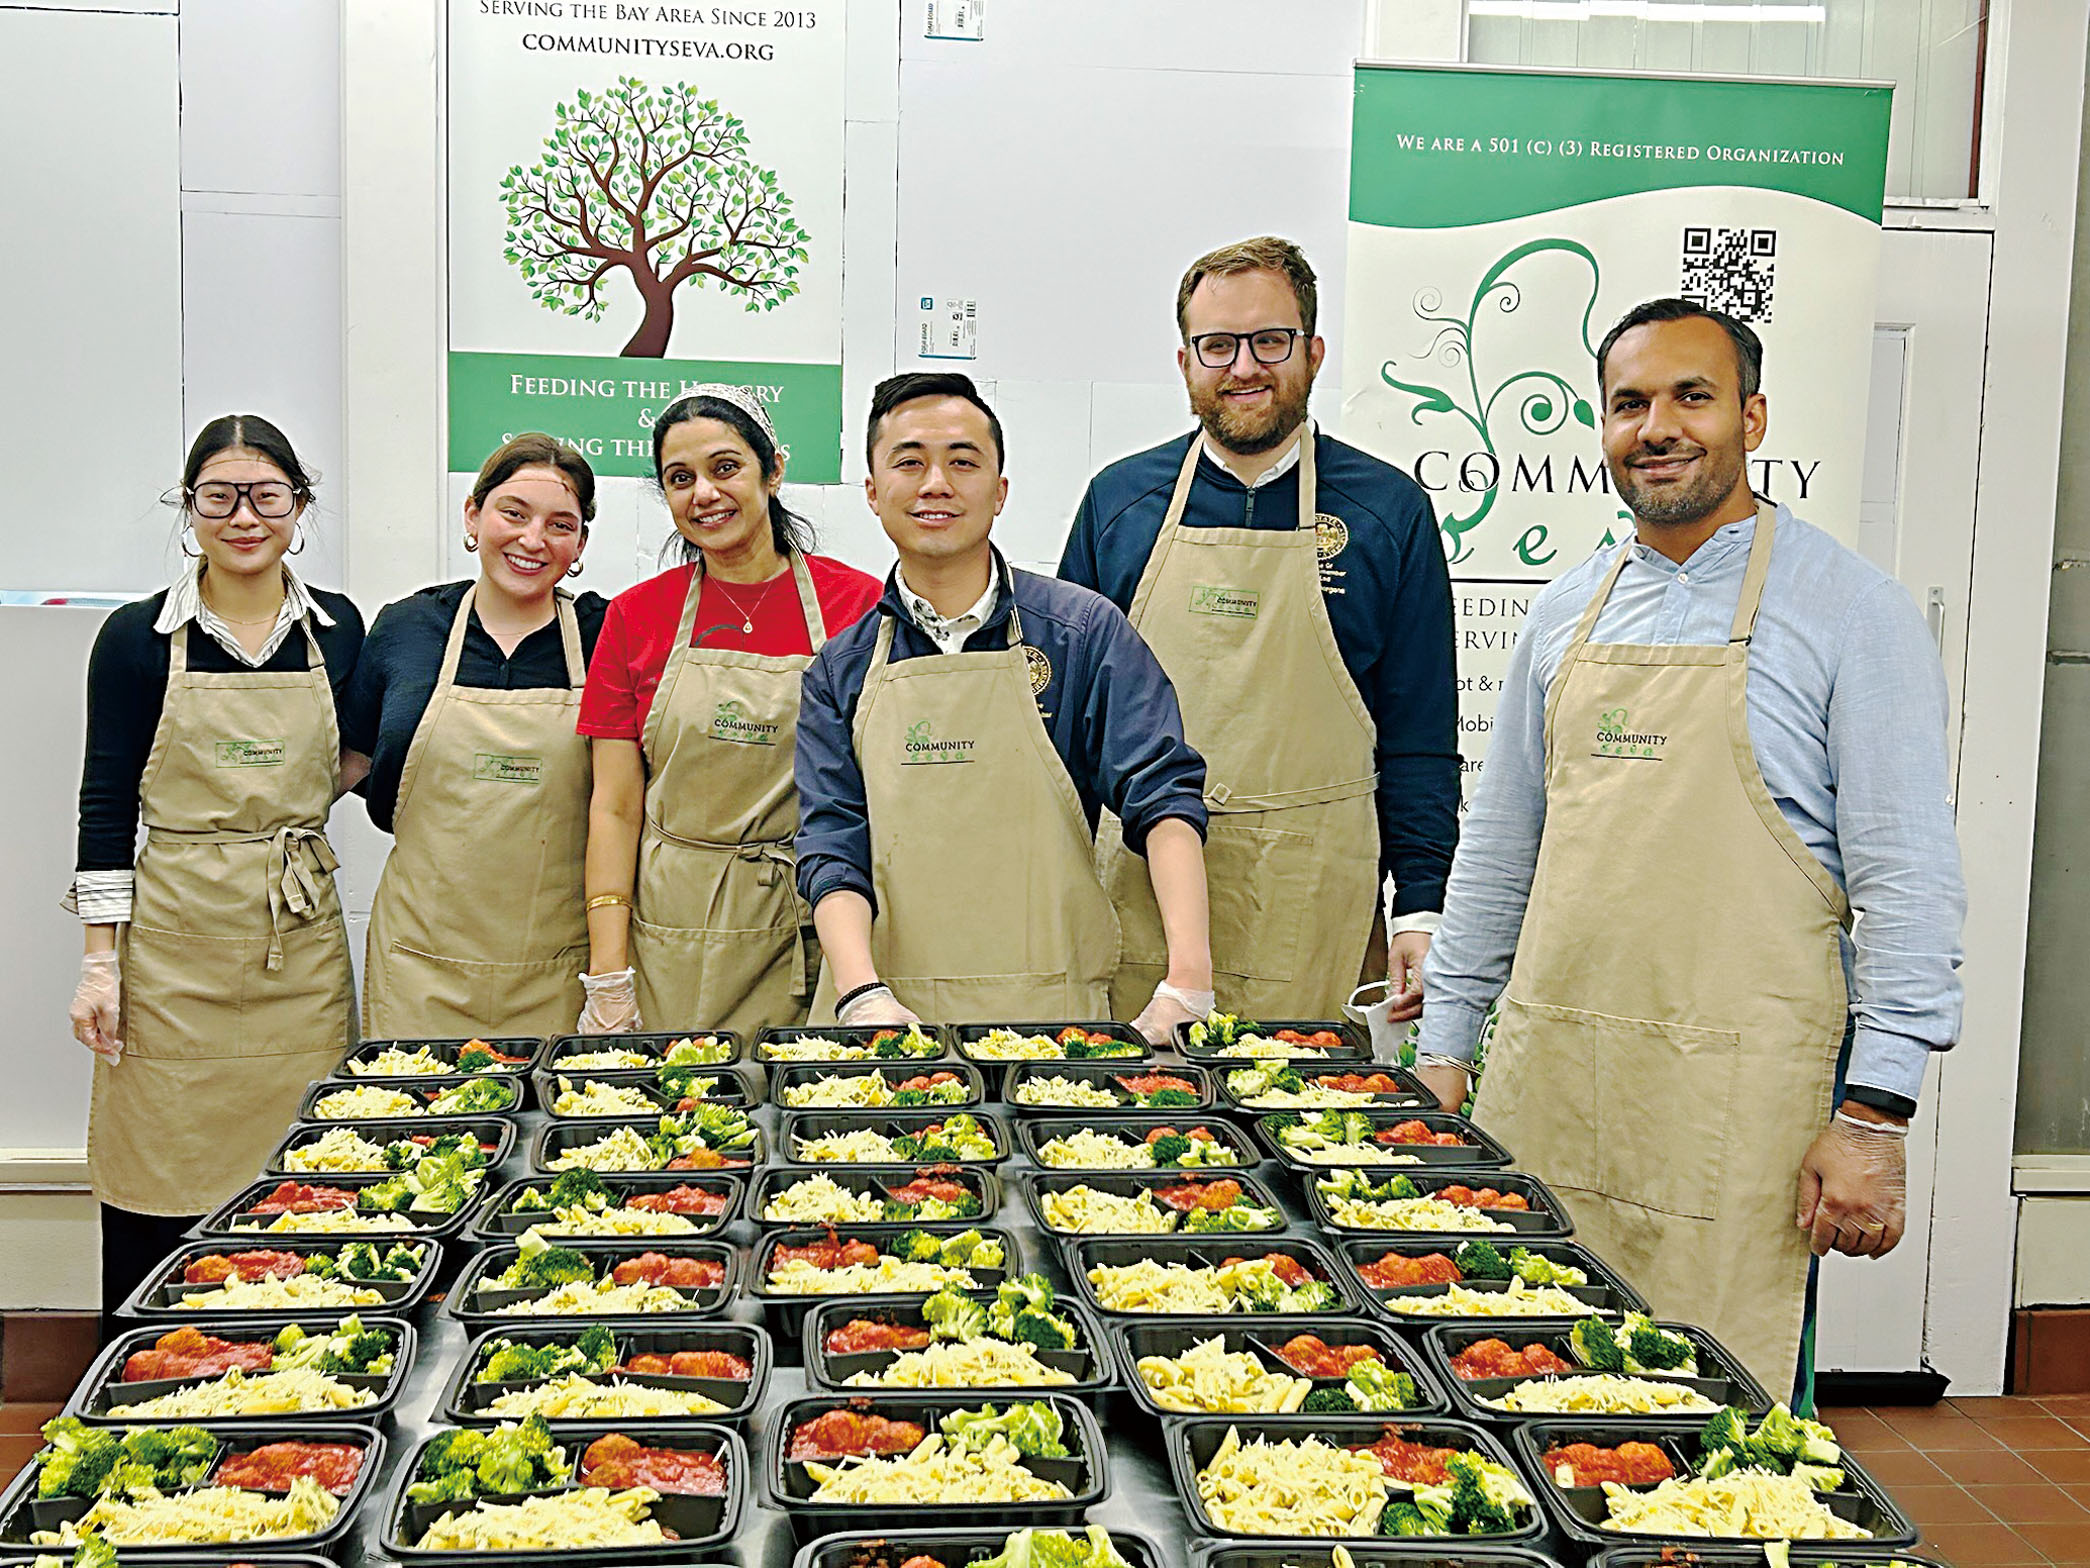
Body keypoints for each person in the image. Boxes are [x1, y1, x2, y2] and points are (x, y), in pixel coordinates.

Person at [1413, 298, 1965, 1405]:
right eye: (1628, 403)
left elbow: (1907, 889)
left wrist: (1873, 1116)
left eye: (1689, 396)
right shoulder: (1561, 613)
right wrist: (1440, 1051)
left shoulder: (1853, 613)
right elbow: (1495, 858)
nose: (1655, 425)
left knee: (1717, 1441)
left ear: (1751, 416)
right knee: (1519, 1393)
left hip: (1734, 1118)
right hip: (1547, 1094)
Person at [1062, 235, 1460, 1026]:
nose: (1243, 368)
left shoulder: (1389, 512)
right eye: (1217, 346)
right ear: (1185, 364)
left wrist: (1421, 902)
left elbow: (1417, 736)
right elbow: (1068, 734)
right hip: (1140, 901)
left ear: (1312, 352)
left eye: (1269, 341)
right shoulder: (1120, 504)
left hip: (1312, 901)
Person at [795, 372, 1214, 1039]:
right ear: (873, 493)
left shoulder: (1084, 635)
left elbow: (1164, 798)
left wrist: (1189, 976)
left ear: (1001, 491)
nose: (936, 483)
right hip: (891, 1023)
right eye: (910, 462)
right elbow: (831, 846)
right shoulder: (840, 672)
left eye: (963, 462)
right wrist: (860, 993)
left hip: (1055, 1020)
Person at [67, 414, 365, 1322]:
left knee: (309, 1183)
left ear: (299, 507)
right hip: (175, 948)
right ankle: (147, 1379)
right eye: (219, 496)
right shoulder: (135, 638)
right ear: (189, 508)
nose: (244, 517)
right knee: (162, 1173)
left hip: (298, 946)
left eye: (267, 495)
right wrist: (98, 962)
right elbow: (107, 801)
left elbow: (358, 752)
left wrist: (296, 812)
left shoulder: (338, 629)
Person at [576, 386, 881, 1036]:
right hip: (675, 931)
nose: (704, 495)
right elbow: (615, 807)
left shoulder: (857, 605)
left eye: (725, 468)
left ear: (773, 469)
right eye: (680, 479)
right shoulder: (636, 616)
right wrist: (608, 978)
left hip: (813, 915)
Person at [342, 434, 607, 1038]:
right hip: (420, 967)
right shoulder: (408, 627)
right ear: (473, 514)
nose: (532, 540)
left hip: (561, 972)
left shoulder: (604, 635)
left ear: (580, 543)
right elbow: (351, 761)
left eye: (559, 524)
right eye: (513, 513)